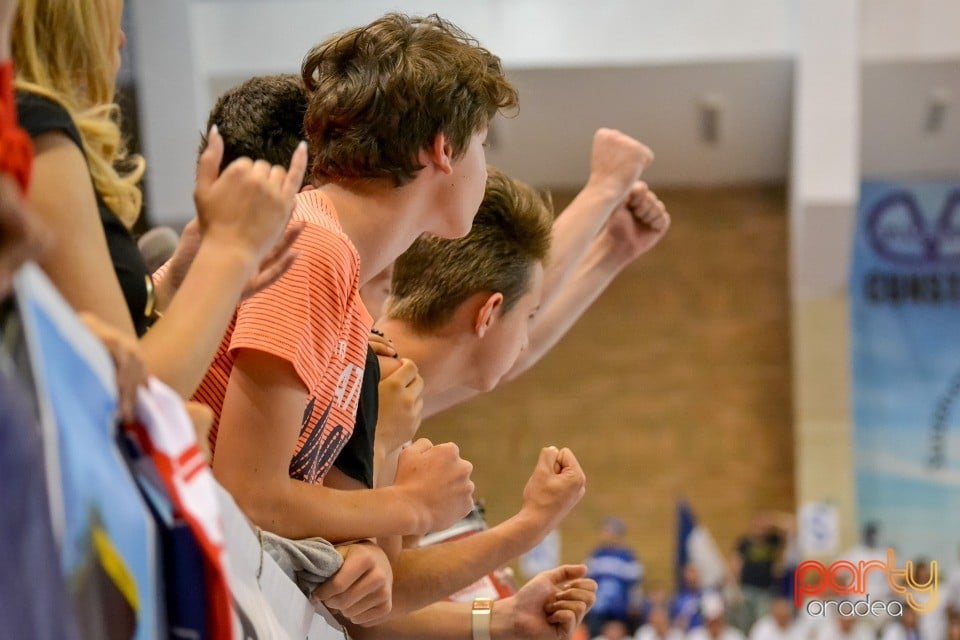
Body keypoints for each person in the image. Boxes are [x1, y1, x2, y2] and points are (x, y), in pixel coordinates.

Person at [12, 0, 306, 399]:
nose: (121, 39)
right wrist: (227, 256)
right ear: (67, 30)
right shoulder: (37, 134)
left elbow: (112, 339)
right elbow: (130, 396)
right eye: (109, 22)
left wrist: (178, 285)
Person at [583, 516, 645, 636]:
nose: (603, 534)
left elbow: (636, 584)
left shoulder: (628, 557)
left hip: (621, 609)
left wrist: (635, 604)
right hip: (598, 608)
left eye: (606, 531)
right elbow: (585, 580)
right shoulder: (596, 555)